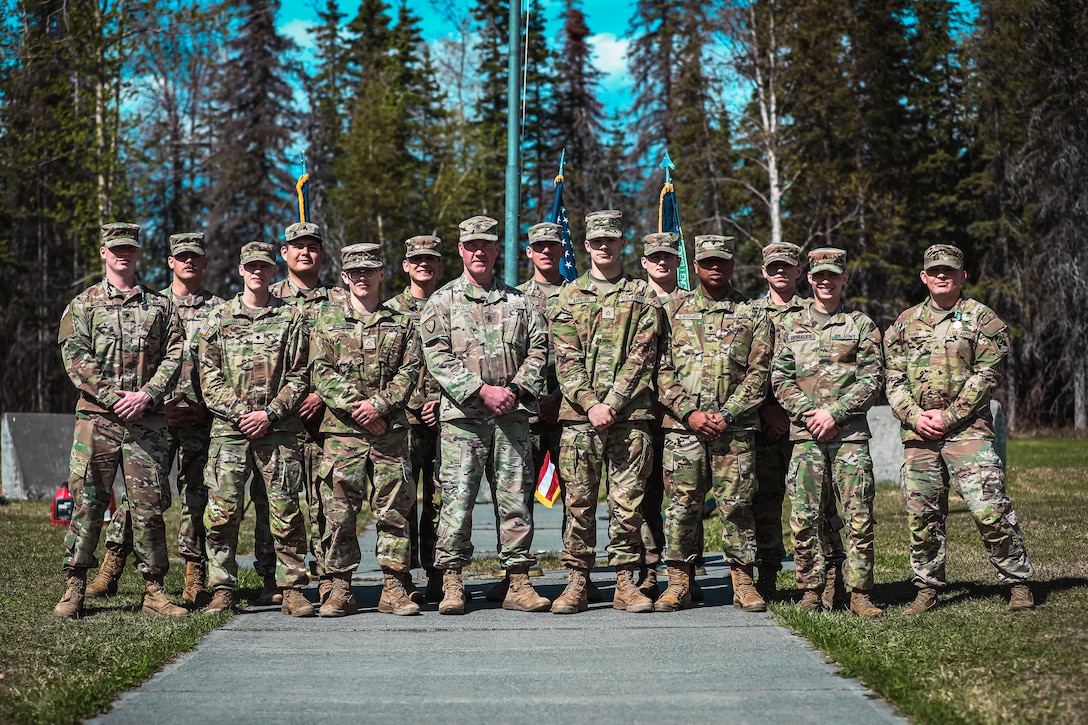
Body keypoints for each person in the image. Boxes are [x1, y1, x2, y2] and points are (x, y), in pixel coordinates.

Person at [885, 244, 1034, 614]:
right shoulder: (905, 323)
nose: (941, 275)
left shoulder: (982, 319)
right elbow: (892, 377)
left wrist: (949, 417)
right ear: (923, 276)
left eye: (949, 270)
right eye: (934, 270)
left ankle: (1017, 582)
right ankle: (927, 588)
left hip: (968, 431)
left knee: (989, 508)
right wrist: (915, 415)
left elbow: (987, 375)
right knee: (922, 514)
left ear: (962, 276)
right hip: (919, 433)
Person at [54, 222, 188, 619]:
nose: (122, 254)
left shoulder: (161, 307)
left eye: (129, 248)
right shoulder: (83, 305)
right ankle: (75, 584)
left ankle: (153, 590)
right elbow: (75, 357)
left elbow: (176, 354)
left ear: (138, 253)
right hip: (97, 420)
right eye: (115, 248)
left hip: (147, 422)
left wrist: (148, 394)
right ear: (103, 252)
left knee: (147, 508)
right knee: (88, 502)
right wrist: (114, 398)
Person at [85, 232, 225, 607]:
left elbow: (225, 366)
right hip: (153, 416)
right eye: (182, 257)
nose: (189, 263)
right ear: (170, 262)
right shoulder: (154, 303)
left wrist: (206, 406)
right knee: (143, 496)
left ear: (205, 262)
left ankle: (194, 574)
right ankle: (112, 566)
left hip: (201, 416)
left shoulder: (221, 309)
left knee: (197, 496)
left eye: (195, 256)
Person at [420, 215, 551, 615]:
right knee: (457, 502)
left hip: (511, 418)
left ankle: (517, 580)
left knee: (515, 501)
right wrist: (481, 390)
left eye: (486, 245)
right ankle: (453, 581)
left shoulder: (520, 302)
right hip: (463, 419)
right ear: (460, 250)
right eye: (471, 245)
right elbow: (436, 355)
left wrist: (512, 390)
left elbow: (540, 350)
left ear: (497, 250)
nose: (479, 251)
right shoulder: (441, 302)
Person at [549, 210, 661, 615]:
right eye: (596, 241)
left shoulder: (642, 295)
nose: (603, 246)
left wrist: (611, 403)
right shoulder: (568, 296)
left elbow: (643, 355)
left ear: (621, 243)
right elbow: (566, 359)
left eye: (610, 240)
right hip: (580, 420)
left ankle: (625, 582)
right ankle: (578, 580)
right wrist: (592, 403)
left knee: (626, 503)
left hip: (630, 419)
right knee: (578, 503)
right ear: (586, 244)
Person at [654, 235, 773, 613]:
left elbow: (761, 371)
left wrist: (729, 413)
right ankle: (679, 582)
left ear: (733, 264)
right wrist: (688, 413)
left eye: (722, 261)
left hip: (734, 430)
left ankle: (742, 582)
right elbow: (659, 368)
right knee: (681, 507)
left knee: (737, 506)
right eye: (707, 262)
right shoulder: (672, 310)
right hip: (682, 429)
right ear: (696, 265)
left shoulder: (753, 313)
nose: (715, 267)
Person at [199, 241, 312, 617]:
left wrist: (271, 414)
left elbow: (300, 374)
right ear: (241, 270)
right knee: (222, 512)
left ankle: (289, 586)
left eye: (264, 267)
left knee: (284, 511)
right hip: (230, 434)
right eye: (251, 267)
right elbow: (208, 376)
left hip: (278, 431)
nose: (258, 273)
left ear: (273, 271)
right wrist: (240, 414)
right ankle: (222, 588)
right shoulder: (218, 318)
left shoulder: (291, 318)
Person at [310, 244, 422, 617]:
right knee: (339, 513)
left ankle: (394, 586)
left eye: (369, 270)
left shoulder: (402, 321)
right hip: (342, 434)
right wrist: (358, 409)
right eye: (354, 272)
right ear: (344, 277)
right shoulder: (326, 322)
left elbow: (410, 370)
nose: (362, 277)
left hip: (388, 432)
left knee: (393, 511)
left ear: (381, 274)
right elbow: (320, 371)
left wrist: (380, 406)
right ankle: (340, 588)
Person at [771, 248, 884, 617]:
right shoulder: (790, 326)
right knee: (804, 517)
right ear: (809, 278)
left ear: (843, 278)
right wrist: (809, 414)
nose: (825, 281)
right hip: (806, 437)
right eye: (818, 275)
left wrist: (833, 413)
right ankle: (810, 590)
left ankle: (859, 593)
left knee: (858, 516)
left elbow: (872, 379)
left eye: (832, 275)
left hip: (849, 437)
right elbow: (780, 377)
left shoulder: (861, 325)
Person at [752, 242, 846, 606]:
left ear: (798, 273)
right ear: (764, 271)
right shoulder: (749, 312)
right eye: (773, 267)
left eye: (786, 267)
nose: (780, 273)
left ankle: (831, 576)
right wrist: (766, 412)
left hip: (807, 424)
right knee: (765, 502)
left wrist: (800, 414)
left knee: (819, 504)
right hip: (763, 421)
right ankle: (769, 576)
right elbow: (748, 368)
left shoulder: (812, 312)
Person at [268, 221, 349, 606]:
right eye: (296, 246)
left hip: (323, 419)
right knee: (275, 500)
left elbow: (348, 356)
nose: (305, 253)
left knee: (324, 501)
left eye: (312, 247)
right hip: (276, 421)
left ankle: (329, 577)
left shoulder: (340, 300)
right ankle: (275, 578)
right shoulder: (266, 298)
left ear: (322, 254)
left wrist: (320, 395)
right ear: (283, 253)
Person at [385, 235, 445, 603]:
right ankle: (401, 578)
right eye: (416, 259)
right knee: (402, 501)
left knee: (441, 502)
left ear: (440, 266)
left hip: (444, 418)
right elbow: (384, 367)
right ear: (405, 266)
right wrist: (408, 402)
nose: (423, 264)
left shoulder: (451, 304)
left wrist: (439, 399)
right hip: (403, 420)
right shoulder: (390, 310)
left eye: (430, 260)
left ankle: (439, 574)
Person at [637, 232, 682, 600]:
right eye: (655, 257)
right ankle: (648, 570)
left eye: (668, 256)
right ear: (644, 262)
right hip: (639, 414)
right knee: (643, 496)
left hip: (680, 417)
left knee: (684, 497)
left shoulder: (692, 304)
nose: (662, 262)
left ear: (678, 261)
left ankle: (686, 573)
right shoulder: (633, 299)